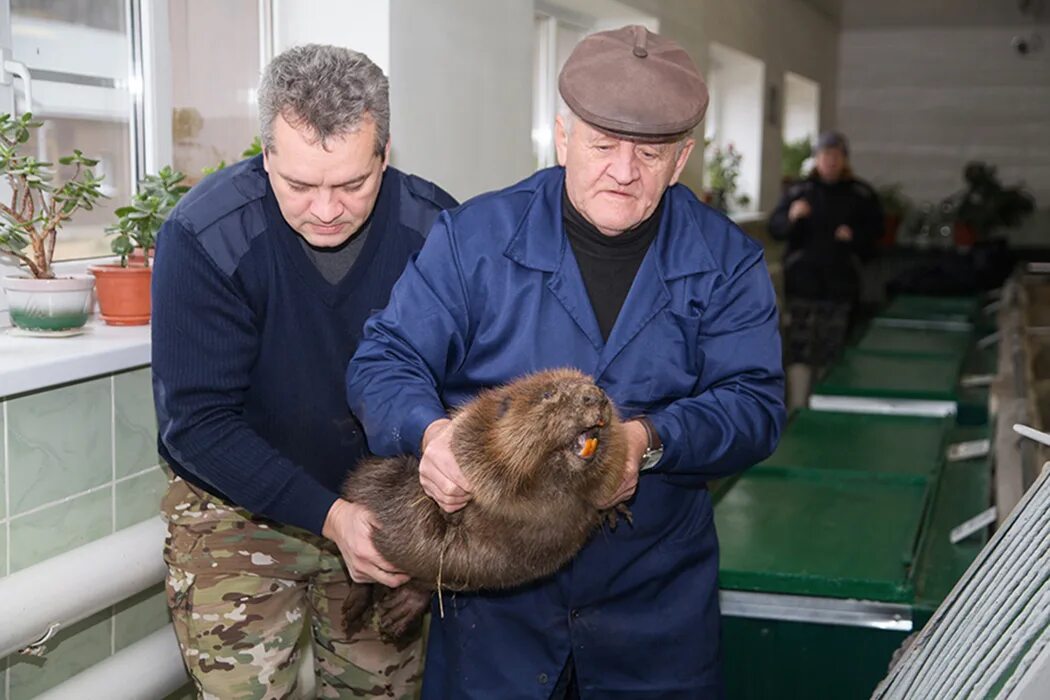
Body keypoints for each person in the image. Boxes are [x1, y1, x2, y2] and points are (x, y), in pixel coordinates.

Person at [346, 25, 785, 699]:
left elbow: (754, 406)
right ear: (562, 136)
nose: (623, 170)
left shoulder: (727, 263)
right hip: (495, 614)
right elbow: (384, 359)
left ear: (682, 158)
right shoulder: (476, 240)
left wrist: (648, 442)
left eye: (650, 153)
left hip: (655, 611)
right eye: (603, 145)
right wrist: (429, 435)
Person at [152, 44, 456, 698]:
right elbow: (197, 426)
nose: (325, 209)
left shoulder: (436, 232)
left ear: (386, 153)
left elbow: (463, 392)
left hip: (383, 510)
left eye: (351, 184)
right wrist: (327, 515)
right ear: (265, 157)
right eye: (299, 185)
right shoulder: (205, 235)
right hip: (235, 512)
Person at [769, 130, 884, 374]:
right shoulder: (799, 191)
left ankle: (825, 398)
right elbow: (775, 228)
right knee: (799, 350)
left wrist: (855, 236)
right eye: (825, 155)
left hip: (841, 285)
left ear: (844, 160)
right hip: (803, 283)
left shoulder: (860, 194)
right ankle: (799, 406)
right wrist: (791, 217)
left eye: (836, 155)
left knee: (834, 351)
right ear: (816, 159)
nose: (830, 161)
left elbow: (877, 234)